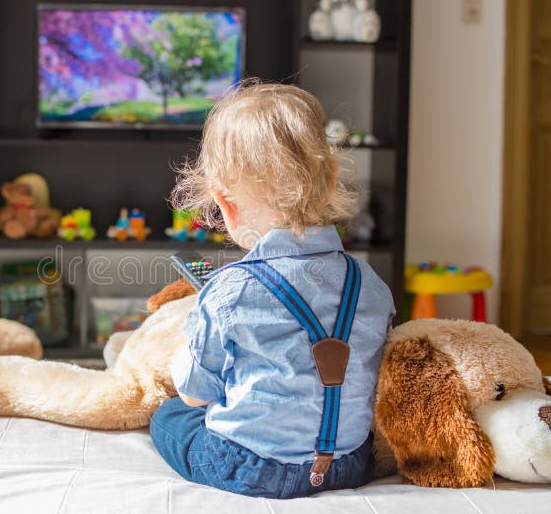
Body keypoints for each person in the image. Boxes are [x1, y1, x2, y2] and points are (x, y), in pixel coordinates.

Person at [149, 80, 395, 499]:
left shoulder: (229, 290)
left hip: (249, 468)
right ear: (333, 179)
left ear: (224, 205)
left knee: (169, 416)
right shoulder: (370, 283)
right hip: (349, 463)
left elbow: (193, 394)